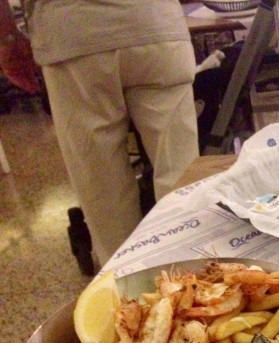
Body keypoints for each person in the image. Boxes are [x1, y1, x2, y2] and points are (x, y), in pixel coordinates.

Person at [0, 0, 200, 265]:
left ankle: (126, 283)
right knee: (181, 175)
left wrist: (8, 39)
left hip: (74, 34)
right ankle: (195, 277)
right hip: (155, 25)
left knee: (103, 189)